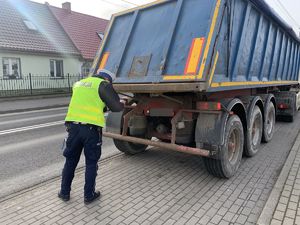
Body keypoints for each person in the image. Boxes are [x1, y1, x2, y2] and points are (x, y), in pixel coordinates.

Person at [58, 69, 123, 204]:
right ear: (108, 79)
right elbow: (116, 107)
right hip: (91, 130)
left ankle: (64, 193)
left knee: (70, 161)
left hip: (73, 128)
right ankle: (89, 195)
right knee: (91, 163)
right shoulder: (103, 85)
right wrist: (123, 103)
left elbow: (91, 103)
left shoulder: (79, 83)